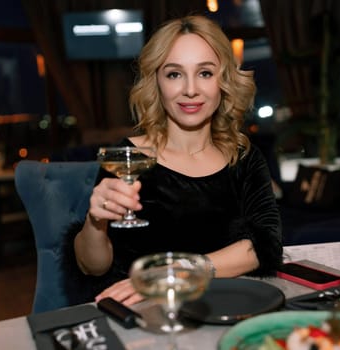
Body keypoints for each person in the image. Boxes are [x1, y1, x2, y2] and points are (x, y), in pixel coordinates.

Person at [65, 15, 283, 307]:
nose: (190, 89)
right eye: (174, 74)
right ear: (157, 82)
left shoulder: (243, 157)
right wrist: (95, 222)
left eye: (205, 73)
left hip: (226, 306)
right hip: (143, 313)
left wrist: (177, 272)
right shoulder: (128, 158)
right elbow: (93, 267)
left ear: (224, 81)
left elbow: (264, 246)